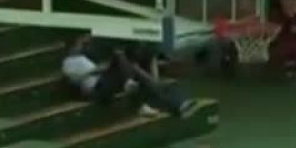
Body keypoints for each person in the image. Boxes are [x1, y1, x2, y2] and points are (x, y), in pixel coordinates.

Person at [62, 34, 198, 117]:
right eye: (79, 44)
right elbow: (76, 79)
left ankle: (177, 105)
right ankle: (132, 83)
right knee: (120, 56)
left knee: (136, 71)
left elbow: (100, 69)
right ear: (71, 47)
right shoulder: (68, 62)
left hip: (104, 83)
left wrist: (102, 69)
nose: (82, 46)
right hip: (96, 90)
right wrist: (98, 70)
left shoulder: (83, 58)